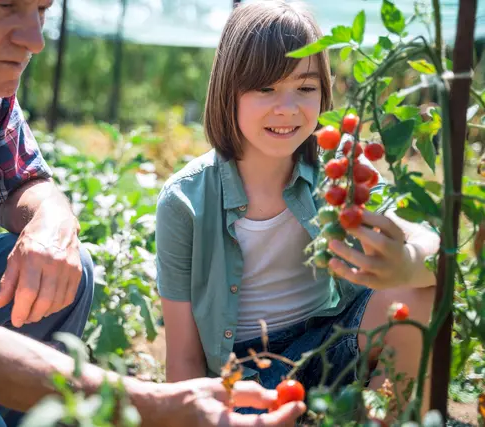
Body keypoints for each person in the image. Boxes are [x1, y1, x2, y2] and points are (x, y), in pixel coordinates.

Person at [0, 0, 308, 426]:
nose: (34, 38)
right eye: (6, 4)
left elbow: (26, 181)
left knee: (66, 273)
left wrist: (51, 221)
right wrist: (157, 406)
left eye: (41, 8)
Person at [156, 0, 440, 418]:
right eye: (266, 88)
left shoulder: (335, 171)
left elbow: (435, 249)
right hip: (247, 374)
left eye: (305, 88)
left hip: (335, 342)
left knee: (419, 291)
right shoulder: (185, 201)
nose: (287, 108)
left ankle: (381, 418)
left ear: (323, 92)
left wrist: (407, 261)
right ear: (227, 90)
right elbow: (182, 356)